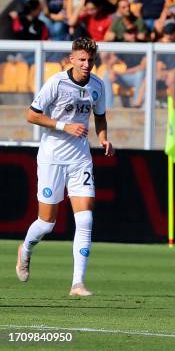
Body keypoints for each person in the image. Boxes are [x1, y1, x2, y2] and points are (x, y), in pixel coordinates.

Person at [16, 37, 114, 296]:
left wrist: (103, 137)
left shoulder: (97, 85)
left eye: (90, 60)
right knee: (47, 223)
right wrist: (64, 126)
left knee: (85, 219)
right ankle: (25, 249)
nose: (86, 64)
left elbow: (100, 118)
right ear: (72, 59)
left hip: (79, 158)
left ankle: (77, 283)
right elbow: (31, 114)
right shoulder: (56, 83)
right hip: (52, 157)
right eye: (82, 59)